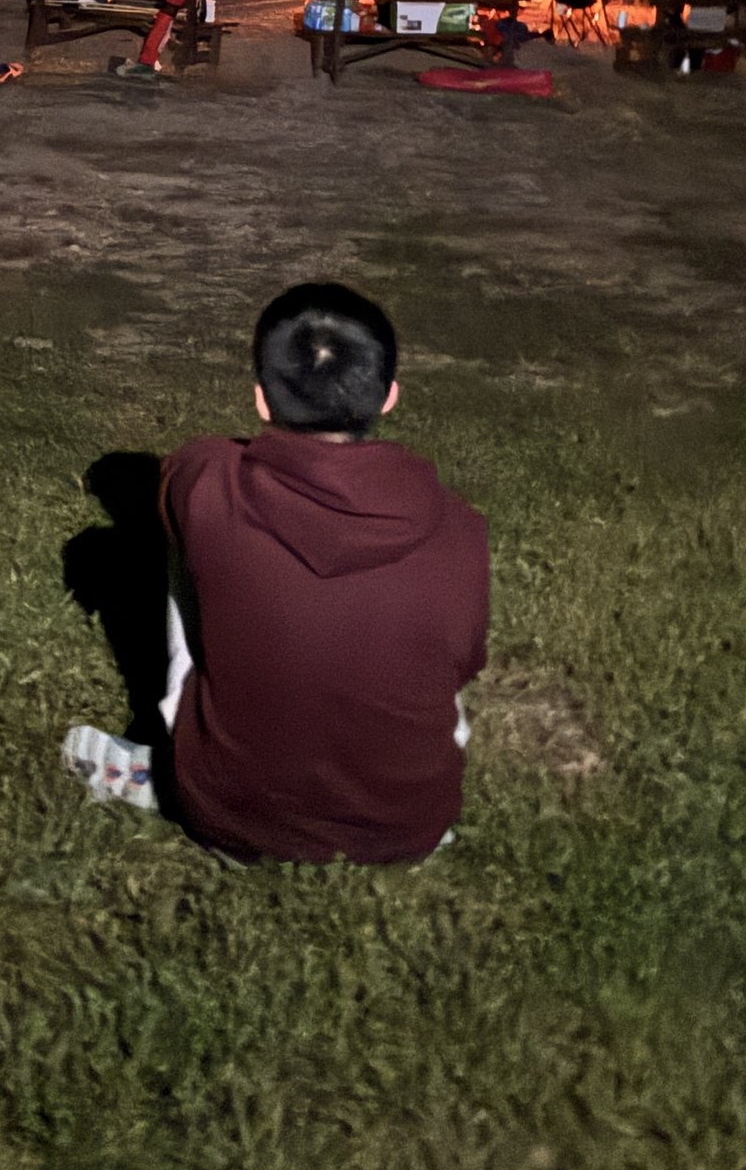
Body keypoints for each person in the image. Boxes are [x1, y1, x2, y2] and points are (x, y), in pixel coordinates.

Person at [62, 284, 489, 865]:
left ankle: (173, 758)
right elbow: (464, 663)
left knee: (187, 544)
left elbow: (184, 483)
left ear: (261, 401)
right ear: (390, 396)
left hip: (227, 815)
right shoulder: (459, 525)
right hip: (407, 828)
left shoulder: (207, 478)